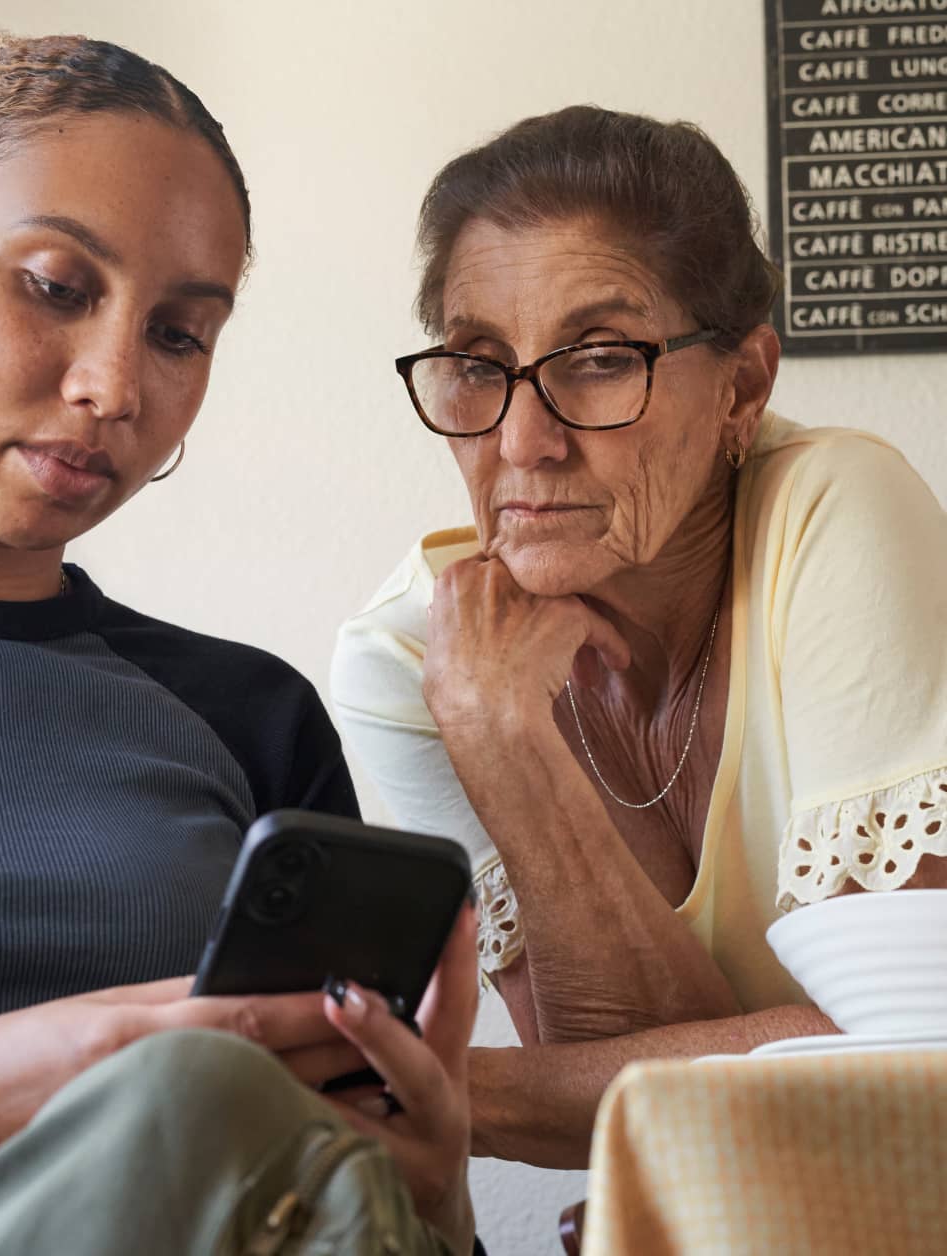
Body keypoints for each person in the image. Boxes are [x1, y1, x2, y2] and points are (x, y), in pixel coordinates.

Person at [0, 35, 476, 1255]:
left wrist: (436, 1190)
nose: (114, 384)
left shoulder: (249, 718)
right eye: (57, 285)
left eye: (178, 333)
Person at [331, 105, 947, 1168]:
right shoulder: (408, 660)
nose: (523, 441)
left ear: (741, 387)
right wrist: (496, 730)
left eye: (601, 358)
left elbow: (904, 1075)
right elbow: (606, 1102)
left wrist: (408, 1089)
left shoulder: (833, 508)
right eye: (476, 365)